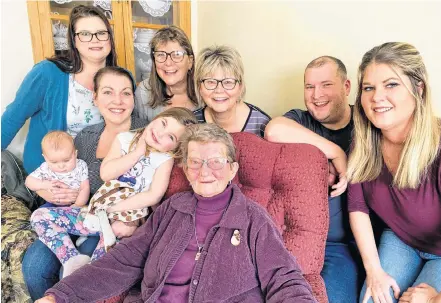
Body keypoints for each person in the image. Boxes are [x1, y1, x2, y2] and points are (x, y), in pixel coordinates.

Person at [35, 123, 317, 303]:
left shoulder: (253, 219)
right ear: (185, 168)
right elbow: (123, 261)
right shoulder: (172, 209)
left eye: (216, 161)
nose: (205, 171)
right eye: (195, 162)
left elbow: (285, 278)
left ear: (233, 169)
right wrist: (60, 295)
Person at [22, 66, 148, 300]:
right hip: (70, 213)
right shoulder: (86, 136)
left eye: (126, 93)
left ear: (133, 97)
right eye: (108, 92)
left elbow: (153, 186)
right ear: (95, 97)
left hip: (111, 219)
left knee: (74, 276)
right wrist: (48, 193)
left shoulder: (146, 135)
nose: (117, 101)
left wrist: (135, 218)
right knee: (34, 269)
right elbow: (57, 172)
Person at [31, 106, 197, 278]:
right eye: (163, 123)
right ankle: (71, 258)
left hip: (126, 217)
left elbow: (153, 195)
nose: (160, 134)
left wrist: (115, 210)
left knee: (93, 268)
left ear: (176, 147)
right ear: (157, 118)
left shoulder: (164, 158)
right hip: (98, 209)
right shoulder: (124, 139)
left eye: (171, 136)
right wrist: (137, 153)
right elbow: (106, 173)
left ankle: (83, 278)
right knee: (39, 216)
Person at [347, 42, 441, 303]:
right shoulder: (364, 143)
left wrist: (436, 298)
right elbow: (358, 207)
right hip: (401, 240)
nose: (377, 97)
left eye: (391, 84)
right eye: (369, 88)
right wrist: (374, 271)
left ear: (418, 88)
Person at [265, 56, 358, 303]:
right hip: (296, 240)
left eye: (326, 84)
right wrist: (334, 152)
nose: (316, 95)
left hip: (342, 247)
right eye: (309, 87)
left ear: (346, 87)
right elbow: (273, 130)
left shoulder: (365, 123)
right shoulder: (301, 120)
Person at [2, 5, 117, 181]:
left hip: (98, 176)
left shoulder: (122, 79)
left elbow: (128, 129)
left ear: (110, 37)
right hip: (49, 177)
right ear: (74, 40)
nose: (95, 40)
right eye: (85, 34)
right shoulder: (48, 73)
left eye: (102, 33)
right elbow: (12, 118)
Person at [194, 45, 270, 137]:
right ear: (199, 87)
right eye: (210, 82)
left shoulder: (262, 124)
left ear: (240, 86)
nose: (219, 90)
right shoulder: (191, 122)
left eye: (228, 82)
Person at [134, 25, 199, 121]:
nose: (168, 63)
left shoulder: (204, 91)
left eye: (177, 54)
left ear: (190, 61)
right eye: (161, 55)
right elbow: (138, 133)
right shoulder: (144, 92)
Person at [25, 131, 90, 208]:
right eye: (54, 162)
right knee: (40, 212)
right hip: (52, 203)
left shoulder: (81, 165)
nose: (61, 166)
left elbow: (85, 188)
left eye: (66, 160)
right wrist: (44, 185)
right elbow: (28, 181)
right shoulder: (45, 167)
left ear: (75, 154)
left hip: (75, 203)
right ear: (45, 158)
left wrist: (78, 204)